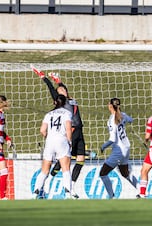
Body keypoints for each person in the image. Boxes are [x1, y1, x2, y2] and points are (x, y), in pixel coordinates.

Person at [33, 68, 85, 199]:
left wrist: (59, 81)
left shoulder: (71, 99)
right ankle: (51, 179)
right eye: (60, 90)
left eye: (62, 89)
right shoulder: (62, 106)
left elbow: (63, 87)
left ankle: (71, 189)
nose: (62, 90)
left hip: (79, 131)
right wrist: (45, 78)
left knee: (80, 159)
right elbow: (52, 88)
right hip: (69, 132)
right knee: (64, 161)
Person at [32, 94, 73, 199]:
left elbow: (42, 130)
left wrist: (48, 136)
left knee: (44, 170)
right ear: (64, 103)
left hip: (50, 142)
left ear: (55, 102)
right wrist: (69, 142)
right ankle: (68, 194)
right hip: (61, 141)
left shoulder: (48, 114)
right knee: (65, 169)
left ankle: (35, 193)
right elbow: (68, 128)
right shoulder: (67, 113)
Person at [99, 98, 138, 199]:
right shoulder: (123, 115)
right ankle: (142, 192)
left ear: (111, 106)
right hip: (126, 148)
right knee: (125, 174)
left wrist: (103, 147)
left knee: (103, 174)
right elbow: (131, 120)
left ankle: (111, 196)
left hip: (118, 151)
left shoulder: (112, 120)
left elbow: (112, 139)